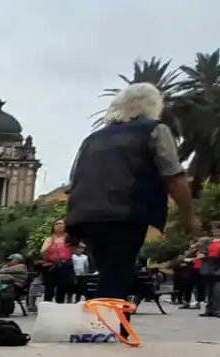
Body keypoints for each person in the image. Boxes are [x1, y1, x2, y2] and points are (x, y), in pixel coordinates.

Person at [65, 83, 199, 311]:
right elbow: (174, 176)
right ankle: (106, 327)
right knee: (118, 273)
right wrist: (189, 216)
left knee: (109, 270)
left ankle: (107, 324)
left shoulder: (92, 139)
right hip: (125, 211)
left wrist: (71, 226)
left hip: (86, 215)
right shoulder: (155, 130)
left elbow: (75, 183)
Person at [40, 220, 74, 304]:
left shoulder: (69, 238)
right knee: (49, 288)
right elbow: (43, 252)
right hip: (50, 265)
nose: (59, 225)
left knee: (62, 287)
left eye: (61, 224)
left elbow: (78, 249)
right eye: (57, 224)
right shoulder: (49, 239)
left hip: (64, 265)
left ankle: (60, 305)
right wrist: (46, 250)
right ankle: (47, 305)